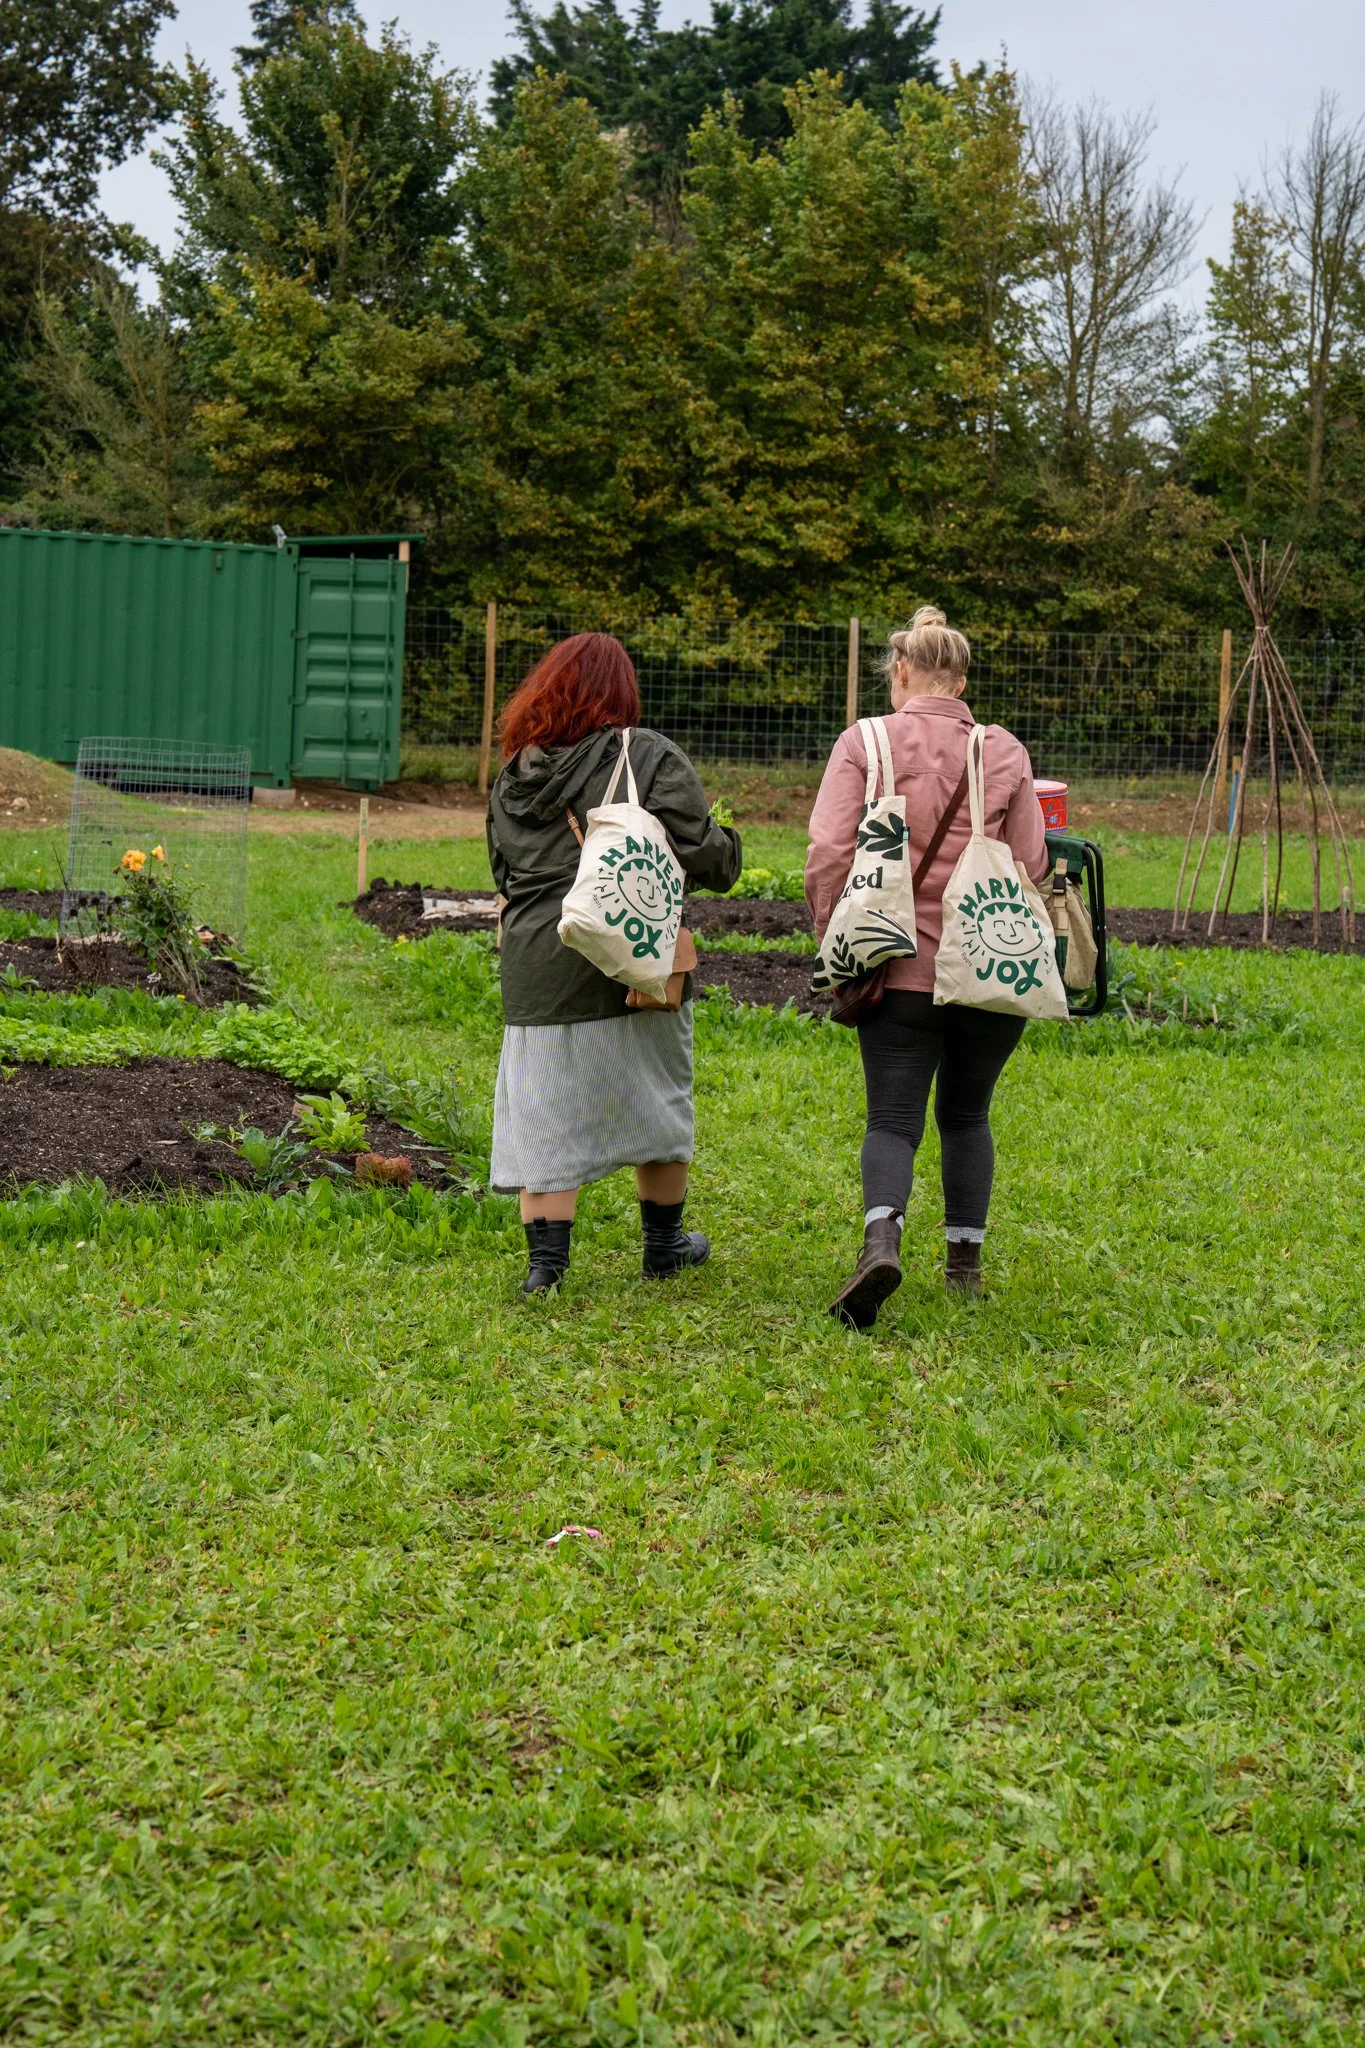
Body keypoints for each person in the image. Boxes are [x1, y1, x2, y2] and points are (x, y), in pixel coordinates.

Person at [805, 605, 1048, 1324]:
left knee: (891, 1118)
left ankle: (881, 1238)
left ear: (901, 671)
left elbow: (825, 853)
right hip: (986, 972)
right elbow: (1031, 861)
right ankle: (963, 1268)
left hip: (894, 964)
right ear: (961, 678)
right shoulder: (1003, 750)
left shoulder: (864, 742)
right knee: (968, 1113)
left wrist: (835, 936)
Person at [487, 632, 742, 1295]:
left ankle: (546, 1268)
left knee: (545, 1109)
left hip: (539, 959)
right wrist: (728, 848)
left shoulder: (514, 774)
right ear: (620, 694)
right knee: (656, 1096)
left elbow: (503, 873)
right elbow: (703, 854)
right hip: (635, 955)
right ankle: (663, 1247)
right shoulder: (645, 754)